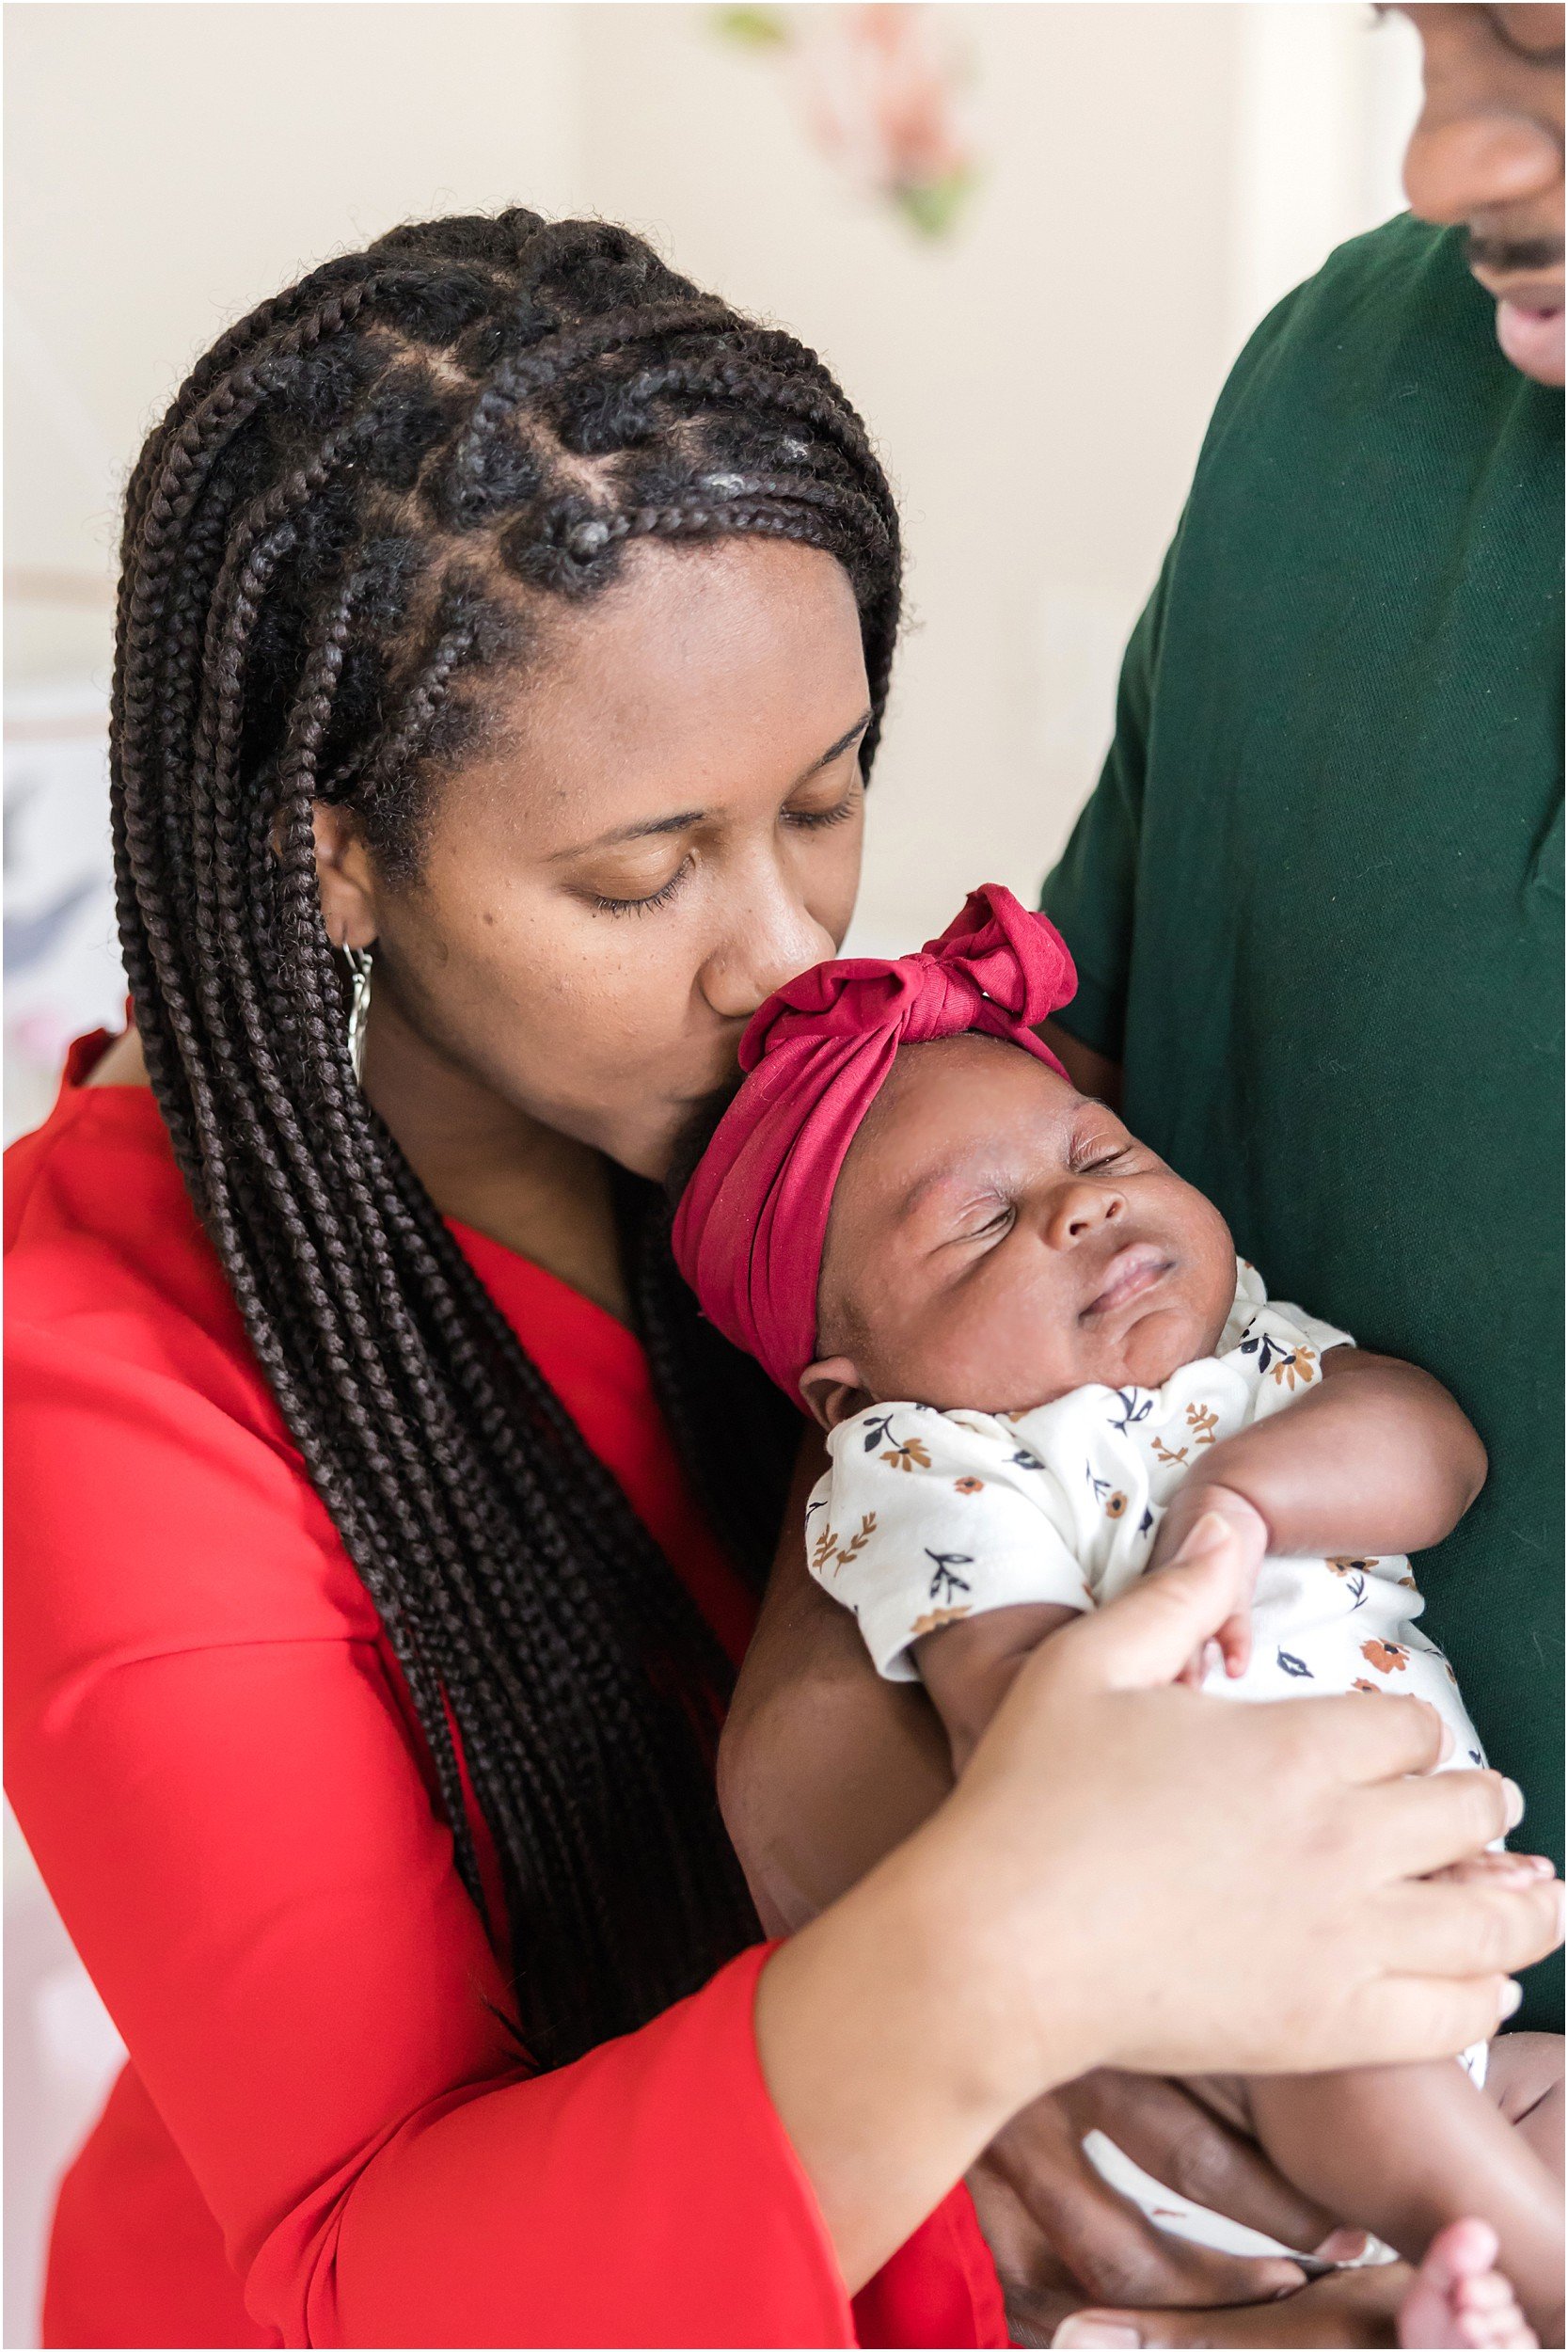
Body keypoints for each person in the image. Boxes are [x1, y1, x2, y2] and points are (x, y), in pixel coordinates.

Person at [5, 213, 1556, 2352]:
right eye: (640, 872)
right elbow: (369, 2273)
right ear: (327, 848)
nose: (779, 954)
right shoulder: (96, 1373)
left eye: (826, 804)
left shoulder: (858, 1117)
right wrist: (999, 1952)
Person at [716, 8, 1564, 2346]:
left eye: (1548, 37)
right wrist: (832, 1785)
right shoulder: (1340, 415)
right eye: (1426, 20)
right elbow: (1005, 1116)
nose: (1443, 148)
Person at [670, 882, 1565, 2346]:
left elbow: (1435, 1451)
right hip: (1235, 1960)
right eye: (977, 1229)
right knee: (1356, 2067)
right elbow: (1015, 1711)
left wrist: (1255, 1492)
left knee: (1543, 2096)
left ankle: (1410, 2307)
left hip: (1442, 2008)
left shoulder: (1249, 1354)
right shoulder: (931, 1463)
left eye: (1100, 1151)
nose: (1078, 1203)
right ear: (853, 1393)